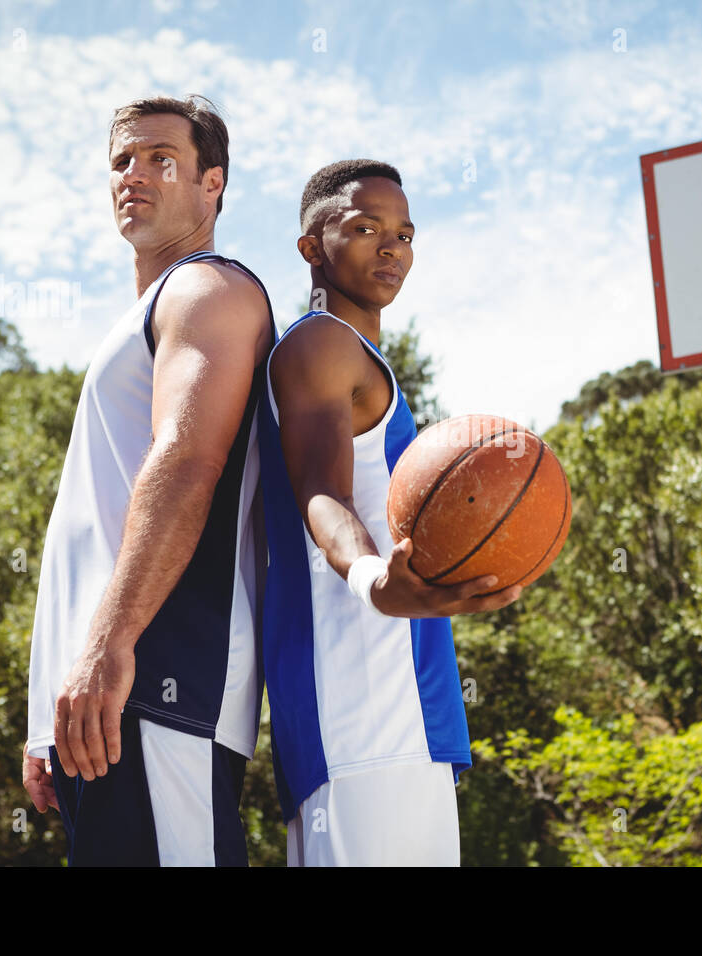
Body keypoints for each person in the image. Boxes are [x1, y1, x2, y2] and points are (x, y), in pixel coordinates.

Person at [20, 95, 274, 866]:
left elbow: (188, 461)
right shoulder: (139, 323)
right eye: (121, 160)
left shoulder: (209, 289)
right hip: (101, 707)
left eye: (161, 157)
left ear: (212, 185)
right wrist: (44, 720)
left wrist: (108, 644)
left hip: (163, 683)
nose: (134, 173)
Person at [258, 159, 522, 866]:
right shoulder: (319, 345)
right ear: (313, 245)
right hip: (361, 714)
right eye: (366, 227)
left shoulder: (361, 360)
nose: (392, 248)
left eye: (405, 234)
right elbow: (323, 493)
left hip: (403, 713)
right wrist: (375, 578)